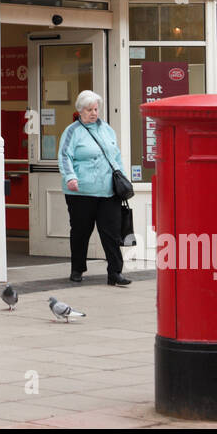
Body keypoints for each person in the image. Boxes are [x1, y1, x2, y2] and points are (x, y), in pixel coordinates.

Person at [58, 90, 129, 287]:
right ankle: (77, 269)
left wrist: (122, 179)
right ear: (80, 111)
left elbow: (115, 157)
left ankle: (115, 273)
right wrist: (70, 177)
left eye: (96, 109)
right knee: (81, 231)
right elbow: (64, 157)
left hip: (108, 191)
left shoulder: (107, 130)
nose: (93, 113)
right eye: (89, 109)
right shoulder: (72, 131)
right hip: (81, 192)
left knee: (112, 233)